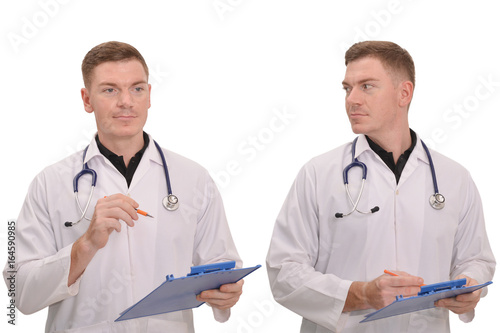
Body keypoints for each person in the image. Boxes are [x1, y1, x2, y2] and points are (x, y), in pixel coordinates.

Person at [3, 41, 243, 332]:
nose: (126, 101)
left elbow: (222, 265)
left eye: (137, 88)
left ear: (149, 95)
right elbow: (20, 290)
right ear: (87, 99)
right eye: (110, 90)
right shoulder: (49, 183)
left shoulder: (194, 178)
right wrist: (85, 245)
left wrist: (227, 293)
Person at [266, 41, 495, 332]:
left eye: (367, 86)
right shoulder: (318, 174)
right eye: (347, 88)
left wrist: (471, 286)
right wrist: (359, 294)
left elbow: (476, 258)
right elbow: (283, 271)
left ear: (404, 93)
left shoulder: (454, 178)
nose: (352, 100)